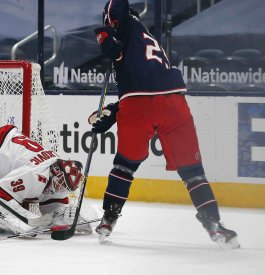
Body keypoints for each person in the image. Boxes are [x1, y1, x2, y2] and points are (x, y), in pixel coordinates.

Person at [88, 0, 239, 248]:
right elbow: (147, 75)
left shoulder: (122, 22)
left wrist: (105, 35)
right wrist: (117, 108)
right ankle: (214, 223)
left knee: (124, 166)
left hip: (138, 104)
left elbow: (112, 13)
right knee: (193, 172)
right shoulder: (146, 35)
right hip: (174, 103)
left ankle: (108, 218)